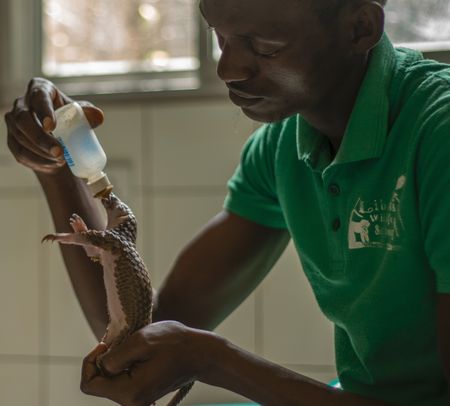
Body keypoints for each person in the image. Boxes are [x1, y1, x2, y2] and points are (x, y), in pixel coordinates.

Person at [4, 0, 450, 404]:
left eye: (264, 46)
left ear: (360, 28)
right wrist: (56, 167)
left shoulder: (437, 133)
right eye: (220, 38)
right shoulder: (282, 149)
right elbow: (138, 335)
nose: (228, 68)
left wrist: (212, 359)